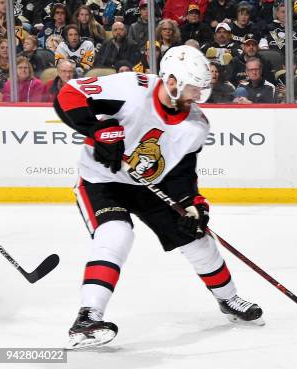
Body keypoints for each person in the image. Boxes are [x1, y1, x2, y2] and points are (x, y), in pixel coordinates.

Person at [53, 45, 263, 350]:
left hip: (152, 184)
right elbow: (69, 95)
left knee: (197, 239)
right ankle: (87, 318)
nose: (197, 97)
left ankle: (229, 300)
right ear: (173, 80)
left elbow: (182, 173)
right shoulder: (131, 88)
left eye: (201, 90)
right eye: (193, 88)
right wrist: (98, 130)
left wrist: (194, 204)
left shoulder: (196, 125)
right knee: (116, 233)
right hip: (102, 180)